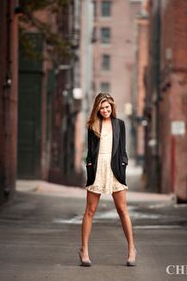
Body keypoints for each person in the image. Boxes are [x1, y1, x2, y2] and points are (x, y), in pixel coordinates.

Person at [79, 92, 137, 267]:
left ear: (112, 107)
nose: (104, 110)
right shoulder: (92, 126)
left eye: (107, 107)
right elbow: (90, 153)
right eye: (101, 107)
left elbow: (123, 151)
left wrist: (123, 167)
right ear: (97, 109)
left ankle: (132, 249)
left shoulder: (120, 124)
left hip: (115, 171)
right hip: (97, 170)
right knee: (90, 210)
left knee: (122, 210)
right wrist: (89, 169)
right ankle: (84, 250)